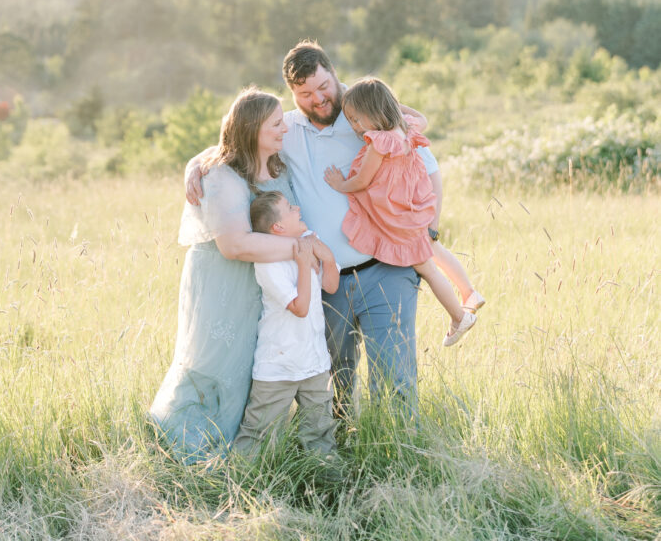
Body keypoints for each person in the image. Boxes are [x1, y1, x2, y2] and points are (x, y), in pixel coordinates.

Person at [186, 41, 440, 413]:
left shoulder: (364, 114)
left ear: (334, 74)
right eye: (305, 94)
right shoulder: (286, 129)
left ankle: (401, 458)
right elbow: (236, 141)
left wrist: (428, 232)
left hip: (386, 269)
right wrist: (195, 165)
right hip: (327, 280)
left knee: (396, 377)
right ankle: (343, 452)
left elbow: (428, 168)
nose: (319, 99)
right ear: (293, 94)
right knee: (336, 381)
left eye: (324, 87)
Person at [150, 87, 317, 463]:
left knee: (252, 366)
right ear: (253, 128)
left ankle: (245, 450)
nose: (283, 128)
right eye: (275, 124)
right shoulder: (222, 176)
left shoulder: (279, 165)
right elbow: (234, 246)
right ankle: (191, 452)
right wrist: (305, 248)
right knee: (217, 363)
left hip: (263, 287)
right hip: (224, 283)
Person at [324, 77, 484, 347]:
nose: (354, 126)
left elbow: (363, 180)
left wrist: (341, 184)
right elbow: (421, 116)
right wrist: (392, 106)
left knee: (429, 270)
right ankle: (467, 297)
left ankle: (459, 316)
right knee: (432, 259)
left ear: (374, 112)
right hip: (410, 209)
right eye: (351, 120)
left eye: (356, 119)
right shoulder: (406, 129)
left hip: (396, 218)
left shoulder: (378, 143)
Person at [233, 190, 340, 455]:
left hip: (315, 362)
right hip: (278, 365)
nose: (298, 208)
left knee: (320, 435)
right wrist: (304, 263)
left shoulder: (308, 240)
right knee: (258, 436)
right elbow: (300, 308)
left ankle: (326, 486)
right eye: (290, 208)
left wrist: (326, 257)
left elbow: (330, 286)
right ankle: (242, 484)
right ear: (277, 227)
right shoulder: (267, 264)